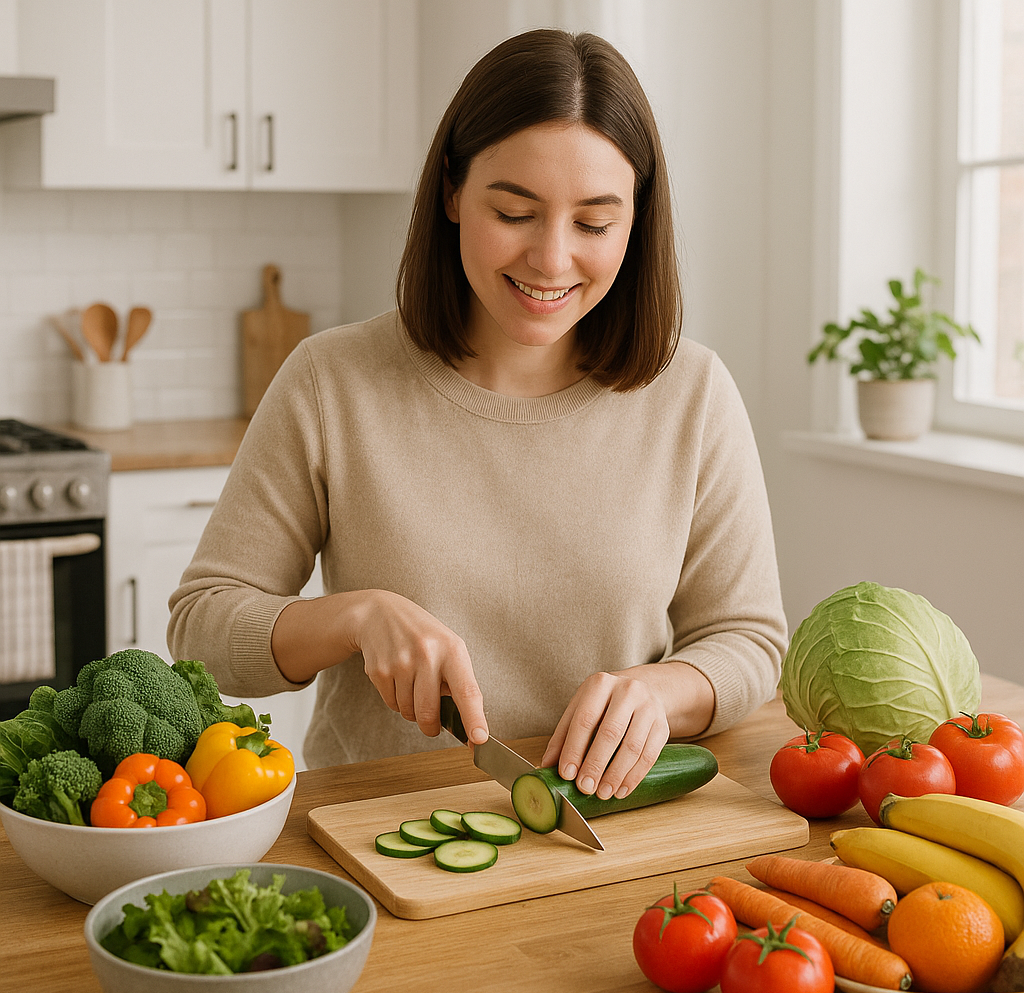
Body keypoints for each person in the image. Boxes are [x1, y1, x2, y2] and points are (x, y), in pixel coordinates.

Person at [168, 28, 787, 803]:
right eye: (515, 212)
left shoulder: (691, 391)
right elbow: (202, 629)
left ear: (636, 220)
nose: (552, 259)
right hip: (379, 827)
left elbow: (750, 641)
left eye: (594, 224)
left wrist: (664, 691)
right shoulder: (332, 380)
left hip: (613, 829)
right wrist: (354, 617)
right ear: (454, 194)